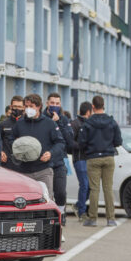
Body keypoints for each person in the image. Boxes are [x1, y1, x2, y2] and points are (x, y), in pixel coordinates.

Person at [8, 93, 65, 200]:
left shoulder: (49, 123)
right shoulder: (20, 124)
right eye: (26, 106)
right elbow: (11, 139)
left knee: (46, 200)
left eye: (31, 106)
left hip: (43, 170)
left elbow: (60, 143)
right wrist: (16, 147)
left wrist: (51, 153)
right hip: (23, 171)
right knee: (24, 201)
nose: (28, 109)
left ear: (38, 106)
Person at [78, 95, 122, 227]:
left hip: (93, 158)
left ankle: (92, 218)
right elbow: (118, 141)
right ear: (104, 105)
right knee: (108, 188)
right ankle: (111, 219)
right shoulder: (112, 122)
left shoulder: (88, 123)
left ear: (92, 106)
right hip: (108, 157)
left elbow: (81, 142)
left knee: (94, 189)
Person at [43, 93, 74, 223]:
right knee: (47, 194)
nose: (54, 106)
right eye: (52, 103)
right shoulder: (42, 118)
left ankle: (61, 212)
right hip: (45, 161)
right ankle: (48, 217)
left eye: (57, 103)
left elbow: (69, 141)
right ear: (47, 103)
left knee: (60, 192)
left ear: (60, 105)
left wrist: (58, 123)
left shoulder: (64, 119)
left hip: (60, 161)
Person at [70, 101, 92, 221]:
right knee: (84, 184)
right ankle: (82, 211)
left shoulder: (89, 123)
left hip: (88, 158)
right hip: (79, 158)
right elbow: (69, 141)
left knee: (89, 186)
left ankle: (78, 205)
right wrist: (80, 146)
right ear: (88, 112)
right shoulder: (75, 123)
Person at [0, 95, 24, 172]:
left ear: (23, 107)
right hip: (7, 164)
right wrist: (0, 151)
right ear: (11, 107)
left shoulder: (28, 123)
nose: (17, 109)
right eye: (15, 106)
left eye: (19, 107)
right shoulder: (3, 124)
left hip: (24, 165)